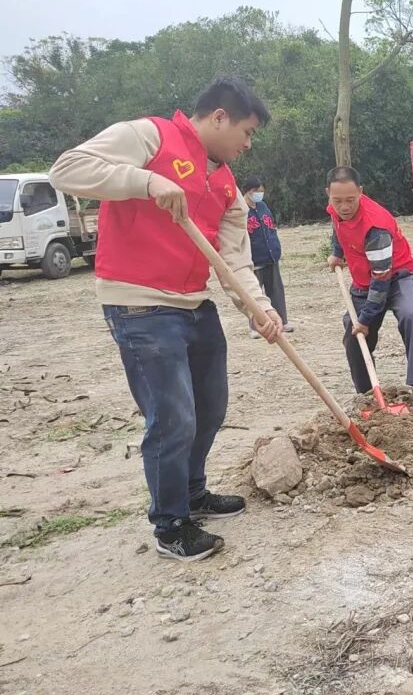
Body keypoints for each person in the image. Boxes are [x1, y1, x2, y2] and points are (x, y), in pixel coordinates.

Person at [49, 77, 281, 562]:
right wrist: (147, 180)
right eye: (247, 130)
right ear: (219, 116)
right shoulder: (151, 136)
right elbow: (67, 169)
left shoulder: (226, 185)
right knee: (173, 417)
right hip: (140, 305)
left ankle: (193, 492)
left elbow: (233, 260)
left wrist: (259, 308)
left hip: (195, 304)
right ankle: (171, 523)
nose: (248, 143)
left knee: (210, 409)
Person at [326, 166, 413, 405]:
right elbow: (338, 227)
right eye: (337, 200)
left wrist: (366, 319)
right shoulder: (336, 208)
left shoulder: (375, 225)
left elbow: (381, 280)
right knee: (353, 333)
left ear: (361, 192)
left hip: (397, 276)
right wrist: (336, 252)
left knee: (410, 316)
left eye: (350, 200)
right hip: (363, 281)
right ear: (328, 193)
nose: (344, 206)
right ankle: (368, 395)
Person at [241, 176, 293, 338]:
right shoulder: (241, 210)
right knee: (254, 294)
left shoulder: (263, 206)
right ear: (247, 191)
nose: (259, 194)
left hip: (270, 257)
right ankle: (256, 327)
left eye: (261, 191)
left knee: (276, 291)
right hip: (253, 259)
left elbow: (271, 228)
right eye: (256, 191)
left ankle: (282, 321)